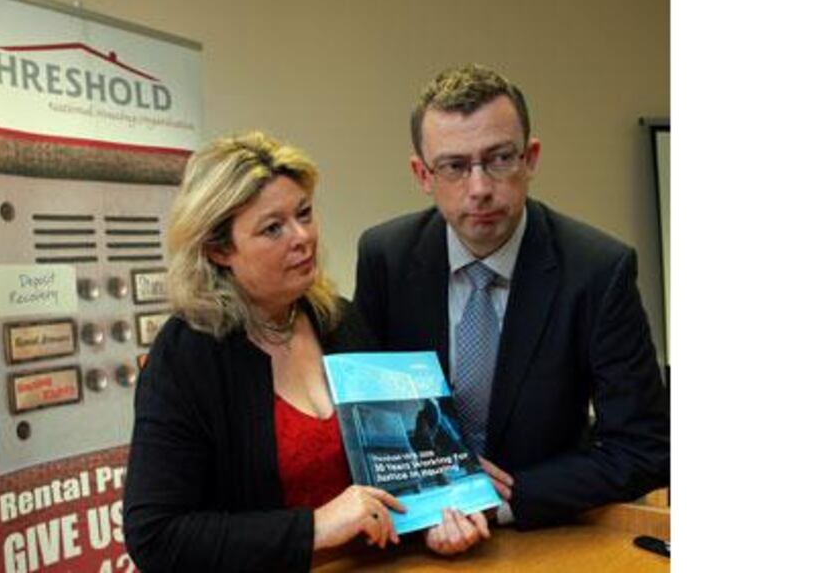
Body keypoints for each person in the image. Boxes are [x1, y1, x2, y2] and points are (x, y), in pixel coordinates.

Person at [353, 64, 671, 555]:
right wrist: (431, 500)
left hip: (547, 533)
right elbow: (368, 417)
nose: (479, 188)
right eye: (455, 166)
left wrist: (500, 501)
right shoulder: (385, 258)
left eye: (499, 159)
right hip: (414, 539)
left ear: (531, 158)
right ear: (422, 174)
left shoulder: (597, 270)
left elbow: (645, 448)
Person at [123, 131, 405, 572]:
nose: (302, 237)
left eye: (304, 214)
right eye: (273, 228)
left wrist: (437, 512)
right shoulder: (186, 356)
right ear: (219, 250)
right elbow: (156, 535)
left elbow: (395, 462)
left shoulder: (341, 321)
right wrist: (312, 528)